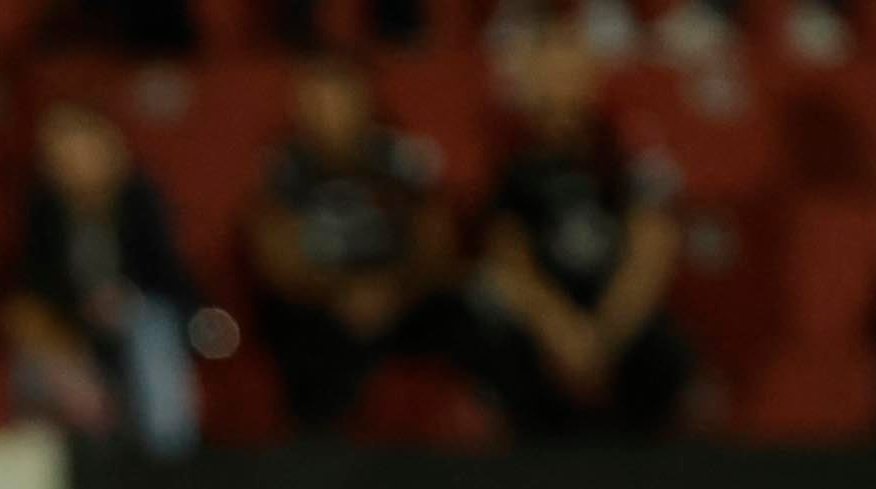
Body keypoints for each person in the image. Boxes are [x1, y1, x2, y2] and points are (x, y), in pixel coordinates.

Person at [475, 25, 692, 439]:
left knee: (664, 357)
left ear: (592, 79)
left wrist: (602, 337)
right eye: (548, 76)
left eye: (570, 74)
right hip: (547, 314)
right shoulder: (513, 159)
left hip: (615, 309)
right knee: (496, 346)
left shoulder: (625, 151)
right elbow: (507, 258)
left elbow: (652, 248)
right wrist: (562, 332)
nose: (560, 88)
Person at [248, 54, 468, 432]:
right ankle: (317, 450)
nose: (329, 114)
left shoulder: (399, 160)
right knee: (286, 324)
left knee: (462, 310)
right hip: (321, 303)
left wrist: (391, 290)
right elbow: (275, 257)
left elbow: (437, 241)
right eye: (317, 102)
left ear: (364, 102)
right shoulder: (284, 168)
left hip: (401, 297)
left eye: (339, 100)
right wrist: (341, 294)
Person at [5, 100, 198, 453]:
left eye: (83, 152)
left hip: (137, 316)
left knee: (152, 330)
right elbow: (34, 286)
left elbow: (170, 279)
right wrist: (69, 319)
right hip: (72, 327)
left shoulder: (140, 200)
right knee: (34, 346)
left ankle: (168, 457)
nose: (75, 166)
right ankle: (82, 457)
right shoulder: (44, 211)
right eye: (63, 156)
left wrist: (124, 300)